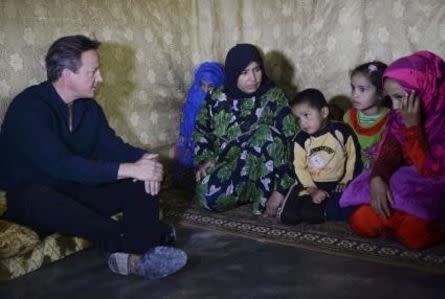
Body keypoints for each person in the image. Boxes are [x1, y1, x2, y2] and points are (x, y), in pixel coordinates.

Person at [0, 35, 187, 279]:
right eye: (93, 71)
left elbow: (114, 148)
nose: (101, 78)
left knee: (139, 182)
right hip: (30, 200)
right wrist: (131, 168)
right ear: (67, 75)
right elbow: (60, 166)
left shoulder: (88, 107)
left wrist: (148, 162)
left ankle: (131, 257)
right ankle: (141, 240)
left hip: (71, 188)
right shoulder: (28, 107)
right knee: (38, 196)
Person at [340, 50, 445, 250]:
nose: (396, 107)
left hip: (436, 186)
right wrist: (377, 178)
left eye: (400, 97)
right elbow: (389, 153)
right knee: (360, 221)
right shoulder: (397, 118)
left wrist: (413, 128)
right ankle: (396, 218)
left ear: (426, 90)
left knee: (415, 234)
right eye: (391, 100)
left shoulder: (444, 119)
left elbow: (432, 171)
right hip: (406, 184)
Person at [194, 43, 298, 215]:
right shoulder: (217, 97)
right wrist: (205, 161)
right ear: (233, 73)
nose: (253, 78)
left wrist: (281, 189)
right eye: (244, 72)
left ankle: (276, 194)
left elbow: (292, 141)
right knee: (206, 195)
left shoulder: (273, 95)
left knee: (266, 135)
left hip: (269, 170)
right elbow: (202, 131)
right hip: (231, 167)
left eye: (256, 70)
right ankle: (251, 193)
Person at [279, 89, 362, 224]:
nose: (303, 123)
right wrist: (311, 189)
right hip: (307, 184)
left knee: (311, 216)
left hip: (335, 184)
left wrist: (346, 180)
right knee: (288, 217)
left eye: (306, 115)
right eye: (298, 118)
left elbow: (353, 157)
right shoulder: (300, 139)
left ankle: (322, 205)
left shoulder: (342, 131)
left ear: (324, 112)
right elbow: (299, 168)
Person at [174, 62, 224, 187]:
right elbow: (186, 125)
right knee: (182, 167)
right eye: (203, 85)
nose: (205, 90)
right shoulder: (194, 95)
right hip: (191, 142)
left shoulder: (223, 101)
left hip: (213, 146)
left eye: (211, 86)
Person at [344, 61, 390, 169]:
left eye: (362, 89)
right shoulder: (348, 117)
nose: (355, 94)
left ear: (381, 93)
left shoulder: (390, 119)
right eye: (353, 88)